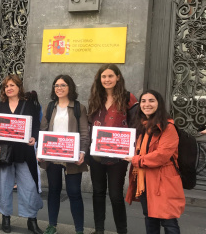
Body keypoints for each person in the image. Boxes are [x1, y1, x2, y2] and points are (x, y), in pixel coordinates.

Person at [0, 74, 43, 234]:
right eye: (6, 86)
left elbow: (36, 126)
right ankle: (5, 218)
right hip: (4, 154)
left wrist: (34, 138)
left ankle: (32, 220)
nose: (9, 88)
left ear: (19, 87)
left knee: (30, 186)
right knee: (4, 186)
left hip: (24, 152)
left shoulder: (29, 105)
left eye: (12, 85)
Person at [124, 90, 185, 234]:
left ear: (159, 103)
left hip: (163, 180)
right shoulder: (144, 126)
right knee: (150, 217)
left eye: (151, 100)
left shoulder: (168, 127)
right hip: (145, 180)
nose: (147, 104)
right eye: (143, 101)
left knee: (168, 220)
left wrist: (135, 159)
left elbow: (161, 155)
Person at [87, 64, 137, 234]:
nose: (107, 80)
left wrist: (132, 148)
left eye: (110, 76)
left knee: (116, 196)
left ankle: (122, 231)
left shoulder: (128, 98)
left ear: (117, 77)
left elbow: (135, 124)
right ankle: (99, 230)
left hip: (119, 157)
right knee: (98, 192)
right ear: (99, 79)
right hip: (96, 155)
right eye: (104, 77)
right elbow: (89, 124)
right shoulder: (96, 98)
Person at [39, 75, 89, 234]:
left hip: (72, 157)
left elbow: (84, 133)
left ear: (70, 87)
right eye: (56, 85)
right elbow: (43, 130)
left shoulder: (78, 108)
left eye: (63, 85)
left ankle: (79, 229)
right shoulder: (50, 106)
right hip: (52, 156)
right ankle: (52, 225)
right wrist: (40, 150)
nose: (59, 88)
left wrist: (82, 151)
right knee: (54, 190)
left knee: (74, 192)